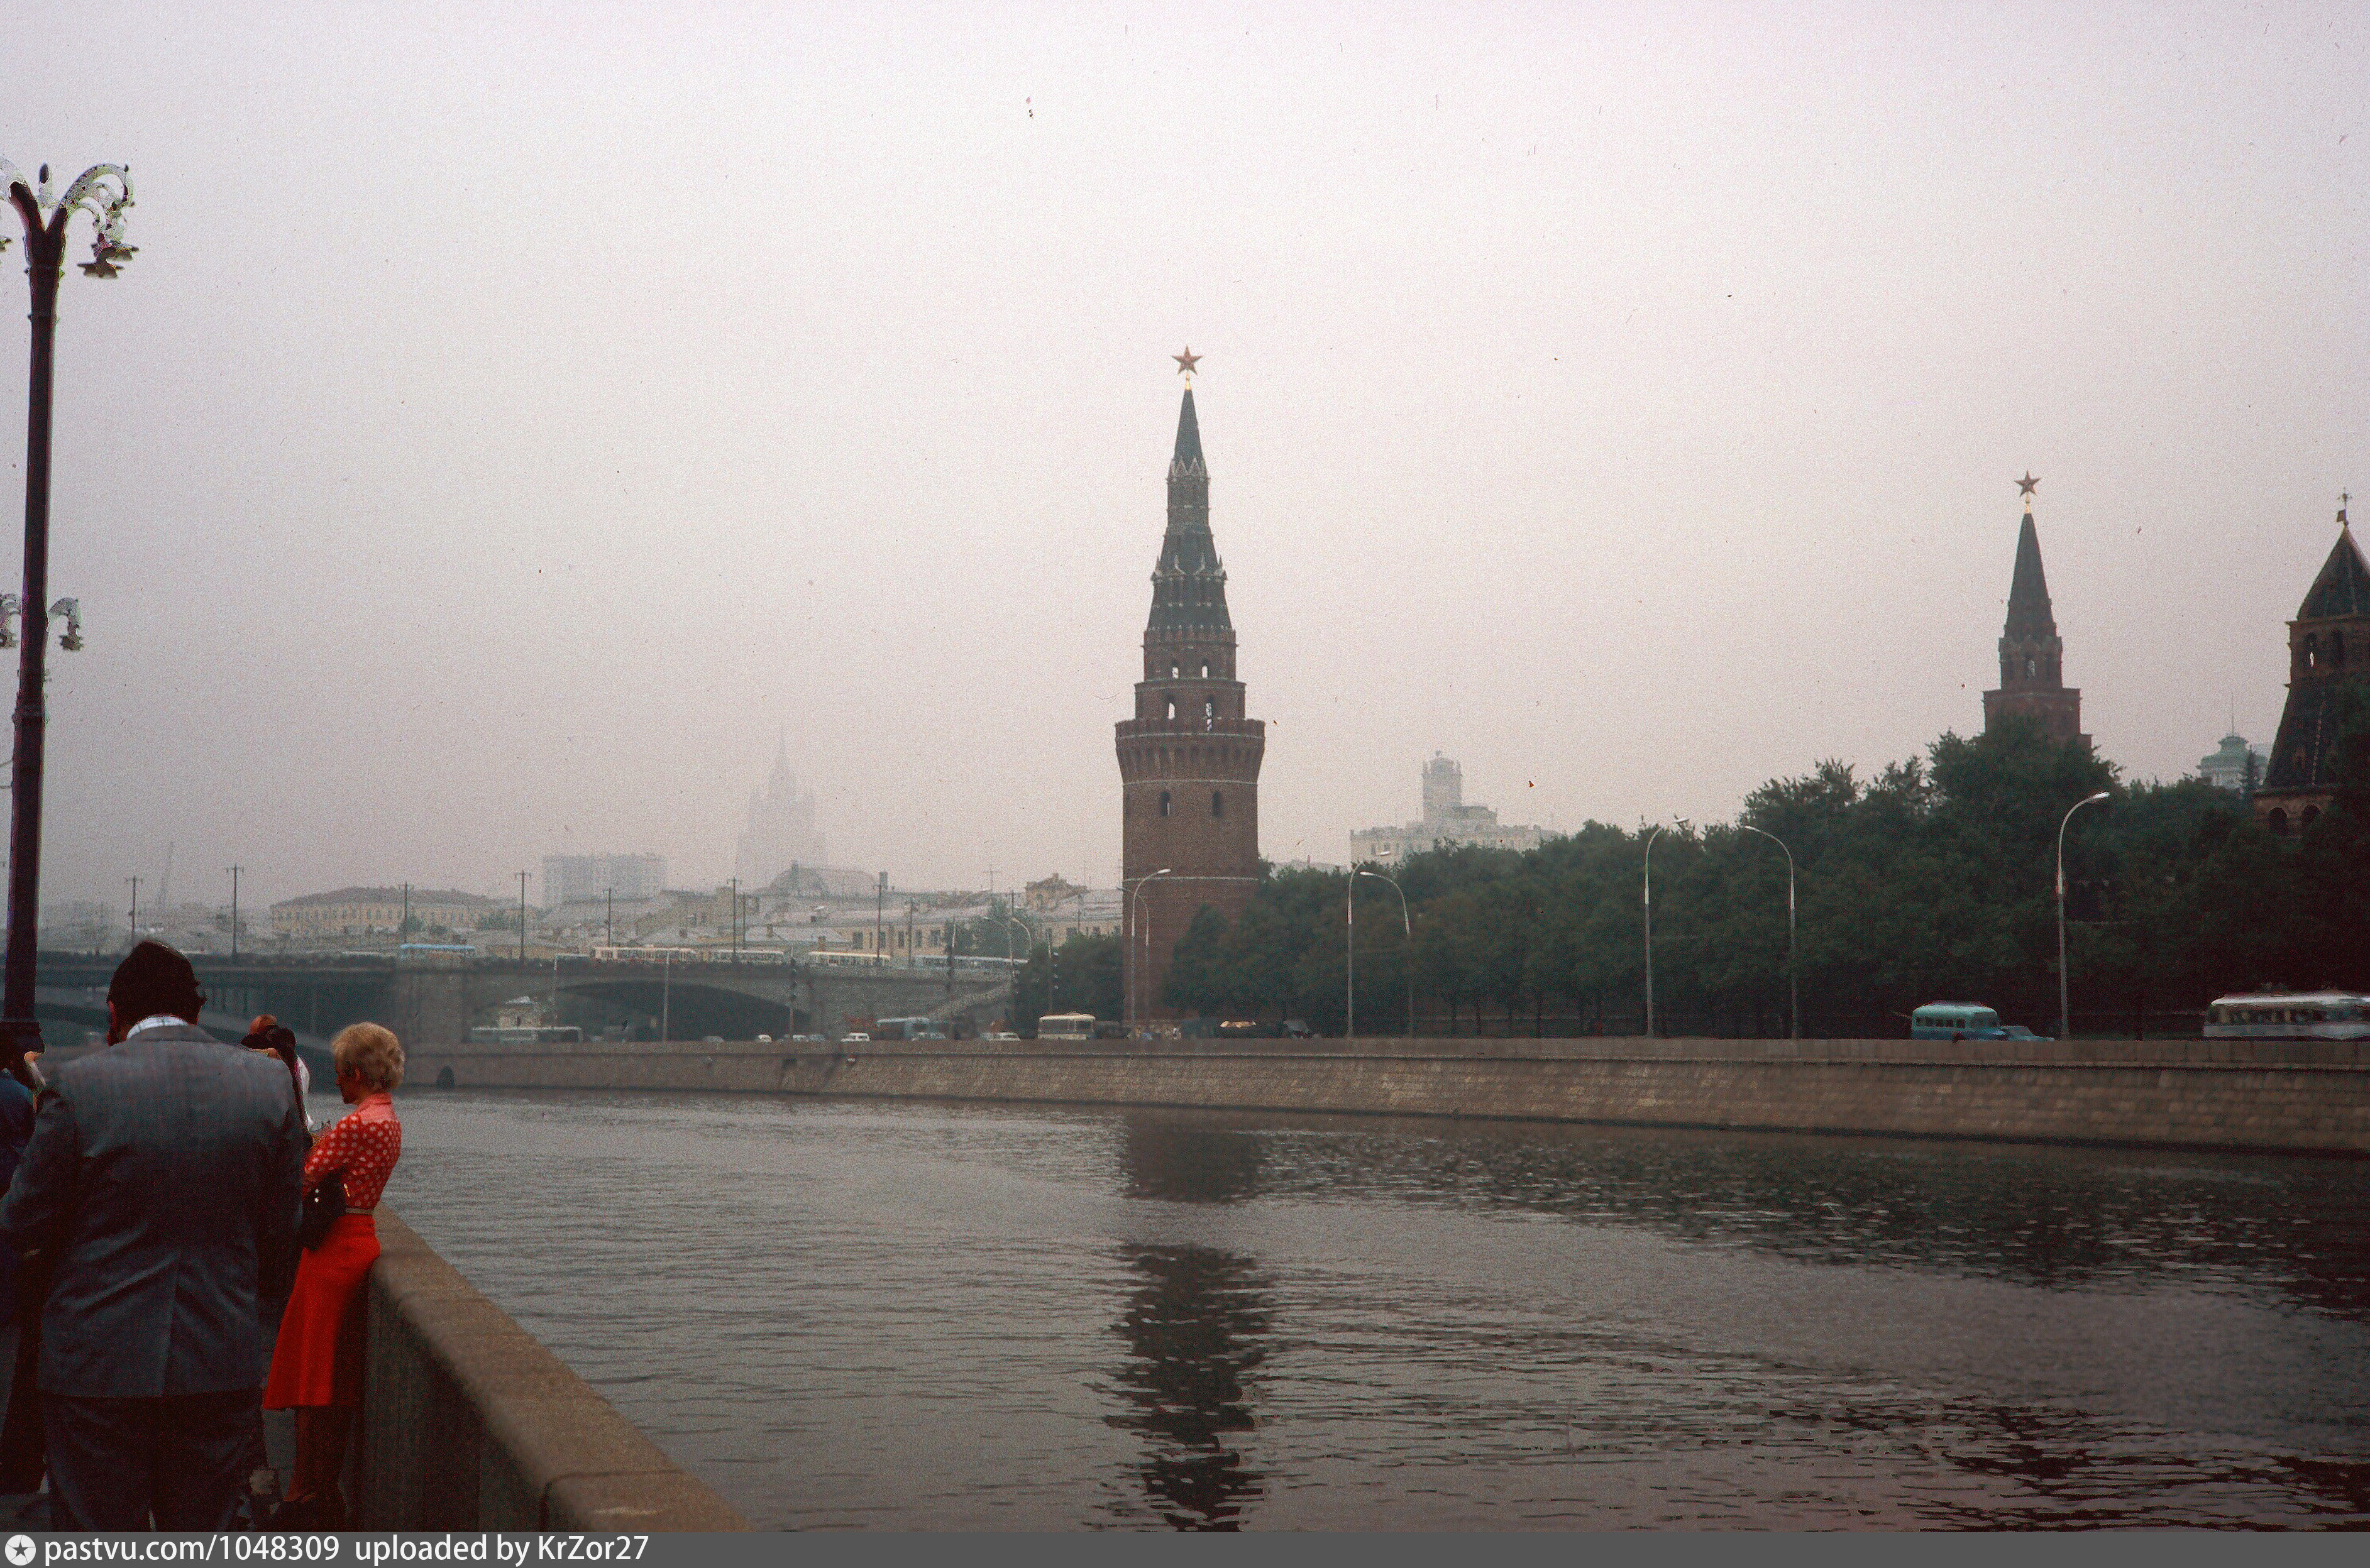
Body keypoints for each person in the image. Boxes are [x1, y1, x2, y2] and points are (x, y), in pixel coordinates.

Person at [0, 940, 305, 1530]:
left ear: (113, 1011)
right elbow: (281, 1231)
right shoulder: (269, 1088)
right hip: (218, 1359)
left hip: (96, 1363)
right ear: (196, 1010)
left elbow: (20, 1220)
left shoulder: (78, 1086)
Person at [263, 1022, 404, 1529]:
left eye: (343, 1074)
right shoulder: (388, 1119)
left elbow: (303, 1175)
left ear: (357, 1073)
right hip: (361, 1239)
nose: (338, 1084)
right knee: (337, 1381)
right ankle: (321, 1487)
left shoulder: (355, 1124)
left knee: (310, 1379)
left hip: (330, 1253)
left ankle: (300, 1490)